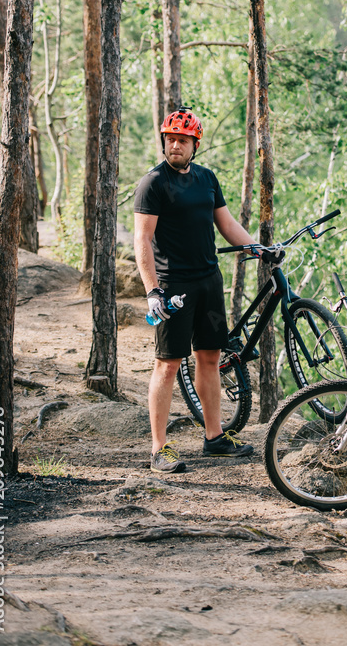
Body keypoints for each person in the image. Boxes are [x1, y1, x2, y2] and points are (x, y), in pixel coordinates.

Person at [133, 106, 266, 473]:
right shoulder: (154, 183)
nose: (175, 145)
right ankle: (160, 448)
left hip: (209, 281)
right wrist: (152, 291)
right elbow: (142, 239)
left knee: (209, 358)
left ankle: (214, 437)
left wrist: (257, 247)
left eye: (182, 140)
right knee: (168, 364)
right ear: (164, 142)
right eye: (170, 139)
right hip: (172, 286)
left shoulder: (207, 178)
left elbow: (226, 224)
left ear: (195, 145)